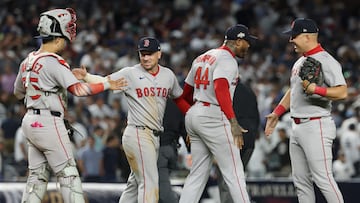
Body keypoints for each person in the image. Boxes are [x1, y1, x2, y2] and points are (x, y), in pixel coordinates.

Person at [13, 8, 126, 203]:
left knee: (37, 177)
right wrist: (108, 83)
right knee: (68, 174)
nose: (66, 42)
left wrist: (46, 85)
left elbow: (17, 92)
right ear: (57, 38)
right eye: (65, 37)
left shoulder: (27, 61)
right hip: (48, 122)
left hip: (30, 121)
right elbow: (80, 91)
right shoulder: (54, 61)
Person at [72, 36, 190, 203]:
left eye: (150, 53)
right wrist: (87, 77)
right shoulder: (131, 73)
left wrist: (192, 117)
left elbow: (179, 98)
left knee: (134, 184)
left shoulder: (168, 76)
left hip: (154, 136)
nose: (146, 57)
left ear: (159, 54)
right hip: (138, 133)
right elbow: (106, 81)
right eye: (143, 53)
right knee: (149, 183)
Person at [265, 18, 346, 203]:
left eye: (294, 36)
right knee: (300, 181)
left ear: (307, 37)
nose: (290, 40)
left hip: (316, 125)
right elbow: (294, 91)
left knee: (323, 179)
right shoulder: (300, 61)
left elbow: (342, 91)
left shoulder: (326, 60)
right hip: (297, 126)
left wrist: (317, 89)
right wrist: (277, 112)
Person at [179, 24, 257, 203]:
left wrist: (192, 120)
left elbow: (185, 95)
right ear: (238, 41)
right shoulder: (227, 60)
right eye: (247, 42)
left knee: (197, 176)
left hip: (196, 112)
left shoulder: (202, 57)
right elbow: (221, 89)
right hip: (213, 115)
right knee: (235, 174)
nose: (249, 46)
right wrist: (234, 122)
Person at [216, 79, 260, 203]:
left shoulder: (227, 91)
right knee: (238, 180)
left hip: (233, 138)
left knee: (227, 180)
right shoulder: (249, 91)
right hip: (249, 140)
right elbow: (256, 118)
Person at [158, 99, 187, 203]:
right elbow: (185, 130)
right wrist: (191, 149)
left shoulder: (153, 100)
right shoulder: (179, 104)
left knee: (163, 191)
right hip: (171, 148)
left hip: (158, 149)